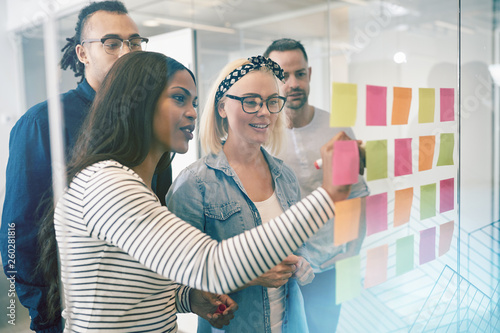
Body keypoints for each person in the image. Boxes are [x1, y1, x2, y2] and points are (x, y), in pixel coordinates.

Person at [41, 50, 352, 332]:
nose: (191, 112)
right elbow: (210, 266)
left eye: (193, 102)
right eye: (179, 99)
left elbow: (141, 290)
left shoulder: (132, 185)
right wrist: (329, 194)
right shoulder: (108, 185)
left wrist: (190, 299)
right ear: (137, 105)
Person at [0, 2, 155, 332]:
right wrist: (45, 314)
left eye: (135, 42)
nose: (127, 53)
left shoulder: (147, 122)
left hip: (141, 309)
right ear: (83, 54)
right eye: (112, 43)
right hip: (69, 315)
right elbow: (16, 233)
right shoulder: (43, 123)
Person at [166, 55, 313, 333]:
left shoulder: (285, 177)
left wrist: (302, 262)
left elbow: (298, 244)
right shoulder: (194, 185)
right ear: (222, 107)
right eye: (251, 101)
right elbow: (174, 281)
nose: (265, 113)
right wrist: (249, 275)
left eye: (272, 101)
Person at [264, 38, 370, 333]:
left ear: (309, 74)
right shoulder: (262, 134)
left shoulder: (337, 128)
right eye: (283, 76)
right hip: (283, 269)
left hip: (330, 265)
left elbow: (356, 193)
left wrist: (351, 252)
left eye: (299, 74)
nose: (293, 83)